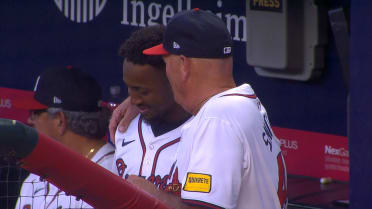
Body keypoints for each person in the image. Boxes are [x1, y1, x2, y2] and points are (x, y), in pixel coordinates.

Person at [112, 9, 288, 209]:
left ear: (183, 64)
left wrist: (148, 194)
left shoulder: (215, 119)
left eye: (166, 62)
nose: (167, 73)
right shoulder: (247, 106)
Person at [14, 66, 116, 209]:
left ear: (59, 120)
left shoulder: (112, 177)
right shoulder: (35, 179)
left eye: (35, 113)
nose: (29, 121)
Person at [114, 25, 191, 195]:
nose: (134, 100)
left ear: (173, 79)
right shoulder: (125, 127)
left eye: (143, 91)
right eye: (130, 89)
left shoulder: (204, 135)